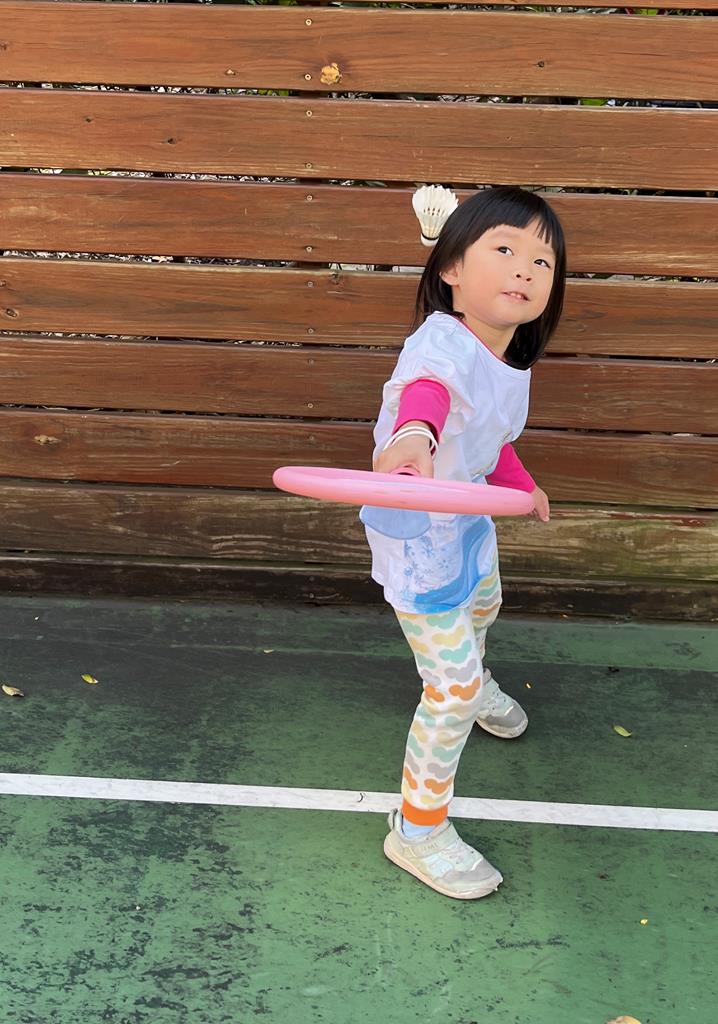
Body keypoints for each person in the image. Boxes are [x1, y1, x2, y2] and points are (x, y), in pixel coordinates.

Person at [361, 185, 567, 899]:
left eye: (542, 260)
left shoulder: (507, 362)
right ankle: (417, 832)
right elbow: (428, 397)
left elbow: (491, 439)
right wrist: (412, 439)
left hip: (469, 522)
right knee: (450, 688)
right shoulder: (442, 341)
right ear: (450, 267)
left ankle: (478, 687)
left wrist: (523, 486)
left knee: (484, 606)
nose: (525, 269)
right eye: (504, 248)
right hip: (420, 535)